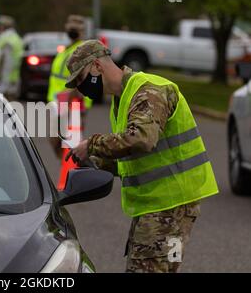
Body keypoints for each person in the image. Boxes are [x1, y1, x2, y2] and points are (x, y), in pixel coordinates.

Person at [65, 39, 219, 273]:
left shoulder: (149, 90)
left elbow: (142, 139)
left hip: (170, 206)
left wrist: (92, 145)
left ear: (97, 66)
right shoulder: (122, 100)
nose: (81, 86)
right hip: (159, 206)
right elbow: (134, 157)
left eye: (81, 78)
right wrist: (97, 163)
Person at [47, 15, 92, 158]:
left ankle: (72, 169)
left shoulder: (81, 51)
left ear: (82, 31)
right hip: (59, 101)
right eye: (70, 28)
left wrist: (67, 100)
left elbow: (83, 80)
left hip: (71, 102)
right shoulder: (68, 49)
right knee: (59, 140)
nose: (71, 31)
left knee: (68, 142)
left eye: (75, 29)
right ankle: (67, 167)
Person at [0, 16, 24, 100]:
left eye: (1, 25)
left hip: (5, 80)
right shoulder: (17, 38)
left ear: (4, 27)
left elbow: (6, 63)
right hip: (13, 77)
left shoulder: (5, 40)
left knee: (3, 107)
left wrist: (0, 82)